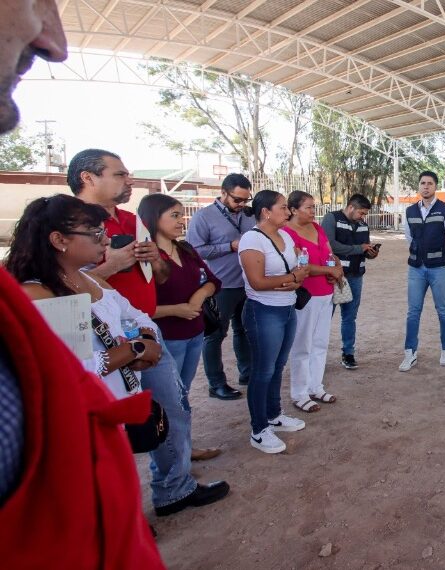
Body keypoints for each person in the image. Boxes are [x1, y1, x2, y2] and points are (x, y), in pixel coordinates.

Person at [0, 5, 164, 567]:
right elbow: (63, 386)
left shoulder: (91, 284)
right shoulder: (29, 302)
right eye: (89, 231)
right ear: (57, 241)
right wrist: (116, 357)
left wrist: (141, 346)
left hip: (114, 418)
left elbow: (138, 324)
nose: (56, 42)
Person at [69, 148, 230, 516]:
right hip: (98, 339)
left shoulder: (128, 220)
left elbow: (157, 278)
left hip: (142, 330)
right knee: (101, 430)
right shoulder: (64, 220)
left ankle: (172, 488)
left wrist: (153, 260)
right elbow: (58, 285)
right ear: (88, 178)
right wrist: (110, 266)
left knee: (171, 407)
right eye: (120, 174)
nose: (129, 181)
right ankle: (110, 517)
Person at [140, 193, 223, 461]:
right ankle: (173, 461)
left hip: (193, 332)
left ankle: (184, 447)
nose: (181, 220)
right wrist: (176, 310)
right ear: (154, 218)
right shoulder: (145, 255)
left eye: (181, 214)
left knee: (182, 395)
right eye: (174, 215)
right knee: (168, 402)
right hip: (166, 337)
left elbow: (212, 281)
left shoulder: (185, 249)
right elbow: (135, 306)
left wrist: (198, 297)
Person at [239, 190, 309, 453]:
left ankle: (274, 414)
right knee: (263, 370)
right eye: (283, 207)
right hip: (263, 311)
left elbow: (301, 270)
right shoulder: (252, 240)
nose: (288, 212)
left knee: (278, 366)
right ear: (266, 212)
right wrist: (290, 279)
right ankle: (259, 430)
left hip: (287, 307)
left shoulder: (286, 236)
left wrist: (292, 280)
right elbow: (257, 282)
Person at [186, 173, 256, 400]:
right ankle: (216, 384)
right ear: (223, 193)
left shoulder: (248, 216)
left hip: (247, 283)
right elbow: (195, 251)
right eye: (237, 200)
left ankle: (247, 373)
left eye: (246, 200)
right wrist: (229, 246)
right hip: (220, 286)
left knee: (244, 330)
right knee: (215, 335)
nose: (242, 205)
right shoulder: (203, 217)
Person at [281, 191, 342, 413]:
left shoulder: (317, 228)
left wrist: (336, 266)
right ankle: (299, 392)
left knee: (320, 342)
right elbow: (301, 266)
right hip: (306, 295)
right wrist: (330, 269)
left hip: (326, 291)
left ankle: (316, 386)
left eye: (314, 207)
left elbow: (329, 253)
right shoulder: (287, 233)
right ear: (294, 210)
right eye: (308, 207)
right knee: (302, 344)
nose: (313, 211)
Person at [399, 170, 445, 372]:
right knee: (413, 311)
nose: (426, 186)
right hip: (416, 268)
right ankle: (410, 352)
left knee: (443, 310)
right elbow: (409, 237)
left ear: (435, 187)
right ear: (419, 186)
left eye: (430, 183)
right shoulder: (409, 211)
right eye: (422, 183)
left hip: (439, 267)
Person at [322, 194, 377, 370]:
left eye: (365, 214)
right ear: (351, 207)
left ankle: (348, 353)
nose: (363, 217)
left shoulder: (363, 225)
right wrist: (357, 249)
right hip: (332, 276)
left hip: (355, 275)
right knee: (323, 317)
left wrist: (370, 252)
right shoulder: (331, 218)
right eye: (361, 213)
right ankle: (318, 354)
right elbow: (329, 245)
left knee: (349, 317)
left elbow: (364, 248)